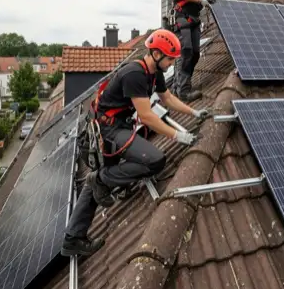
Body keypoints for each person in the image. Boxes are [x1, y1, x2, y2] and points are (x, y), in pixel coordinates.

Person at [61, 29, 211, 257]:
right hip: (108, 129)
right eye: (170, 58)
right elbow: (148, 116)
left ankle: (73, 238)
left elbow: (167, 98)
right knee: (155, 160)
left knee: (99, 181)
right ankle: (101, 180)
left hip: (116, 125)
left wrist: (194, 112)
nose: (172, 63)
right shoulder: (135, 74)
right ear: (157, 54)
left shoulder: (154, 72)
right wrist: (179, 136)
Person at [171, 0, 229, 102]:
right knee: (186, 50)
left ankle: (179, 86)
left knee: (195, 54)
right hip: (182, 16)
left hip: (196, 19)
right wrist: (199, 0)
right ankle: (182, 90)